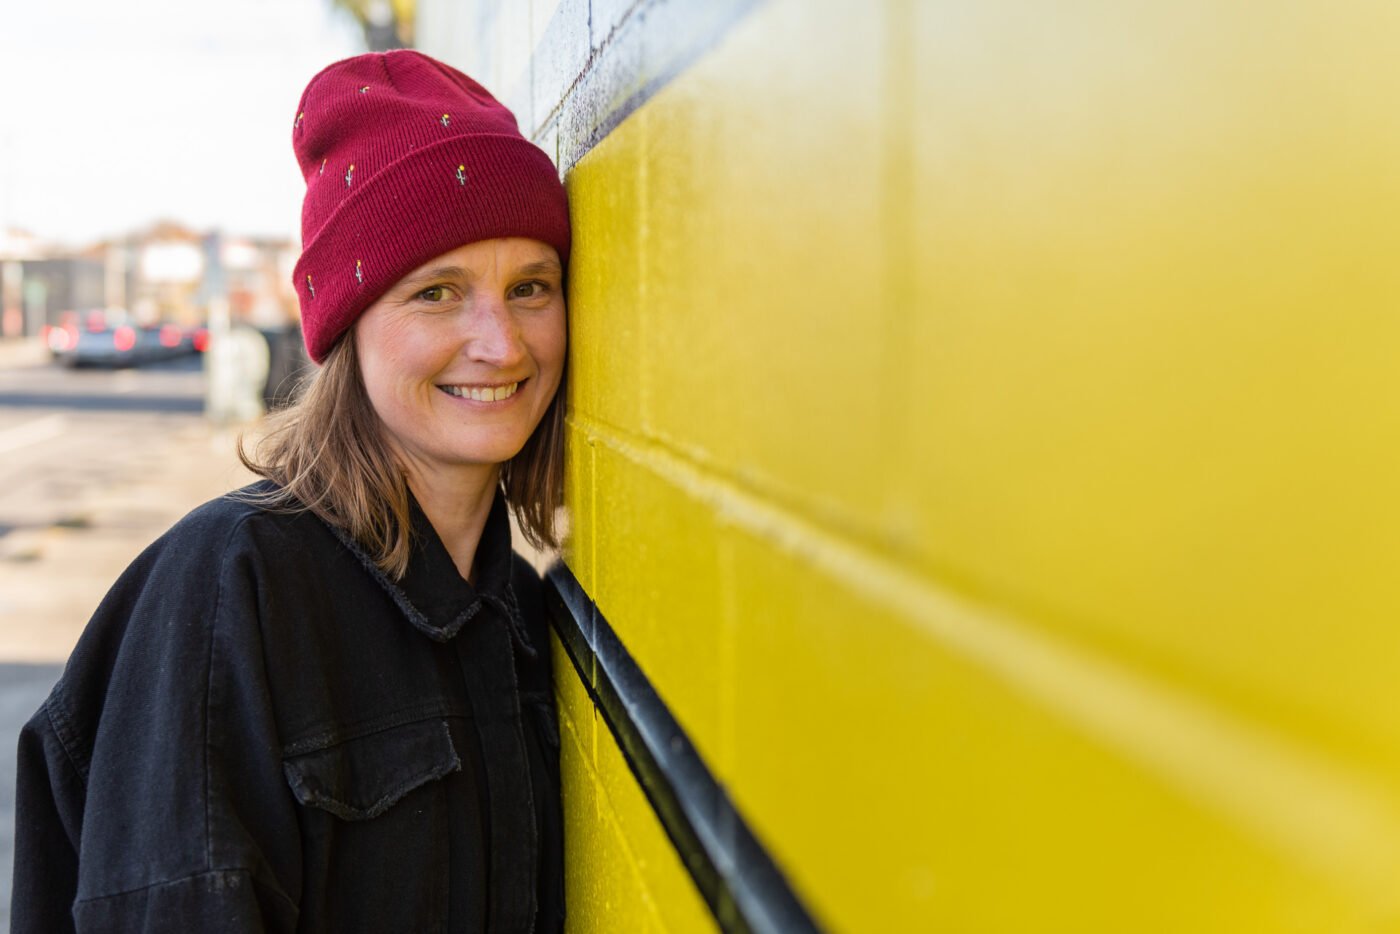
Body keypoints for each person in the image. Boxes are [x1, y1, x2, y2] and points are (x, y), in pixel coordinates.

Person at [11, 50, 570, 933]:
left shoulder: (525, 618)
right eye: (437, 292)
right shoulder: (229, 594)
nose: (501, 344)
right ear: (349, 330)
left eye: (530, 287)